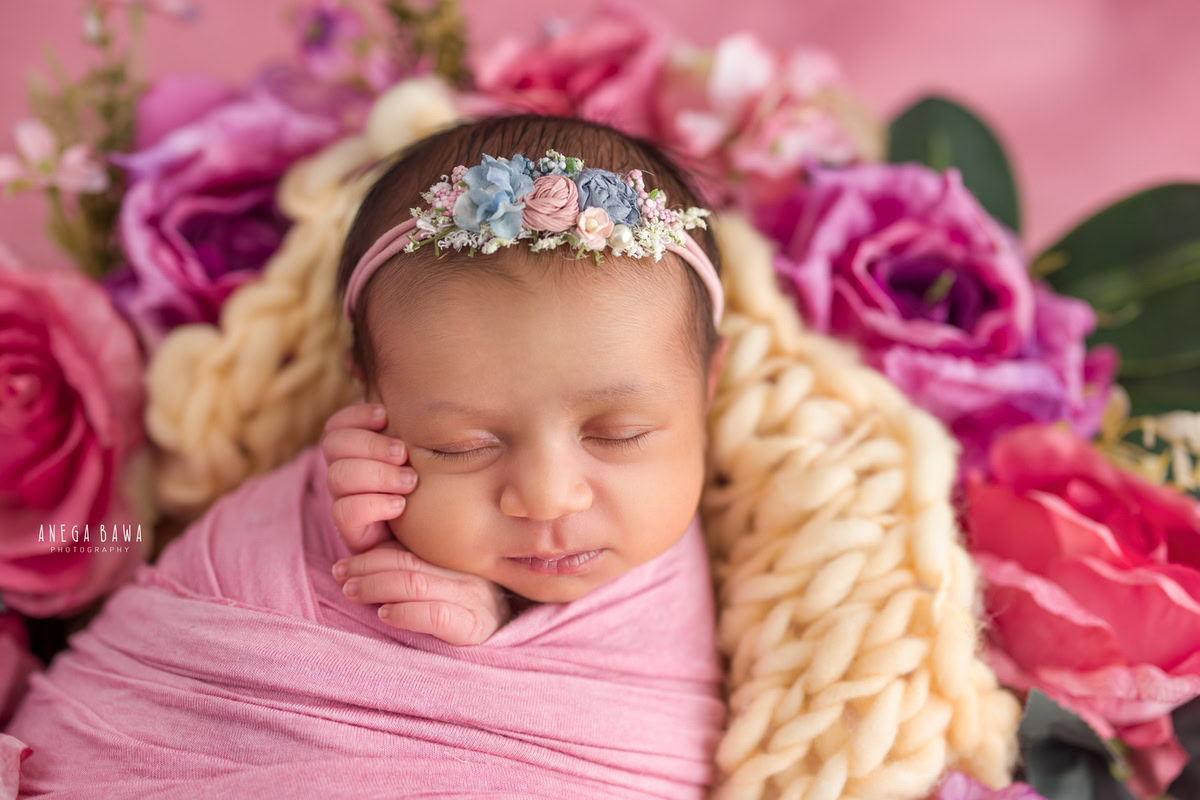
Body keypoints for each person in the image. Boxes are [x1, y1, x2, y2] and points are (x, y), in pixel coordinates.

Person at [3, 113, 730, 798]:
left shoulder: (761, 540)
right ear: (370, 394)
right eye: (460, 447)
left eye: (617, 434)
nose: (546, 497)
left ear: (706, 387)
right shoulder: (333, 493)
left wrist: (496, 615)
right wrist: (344, 520)